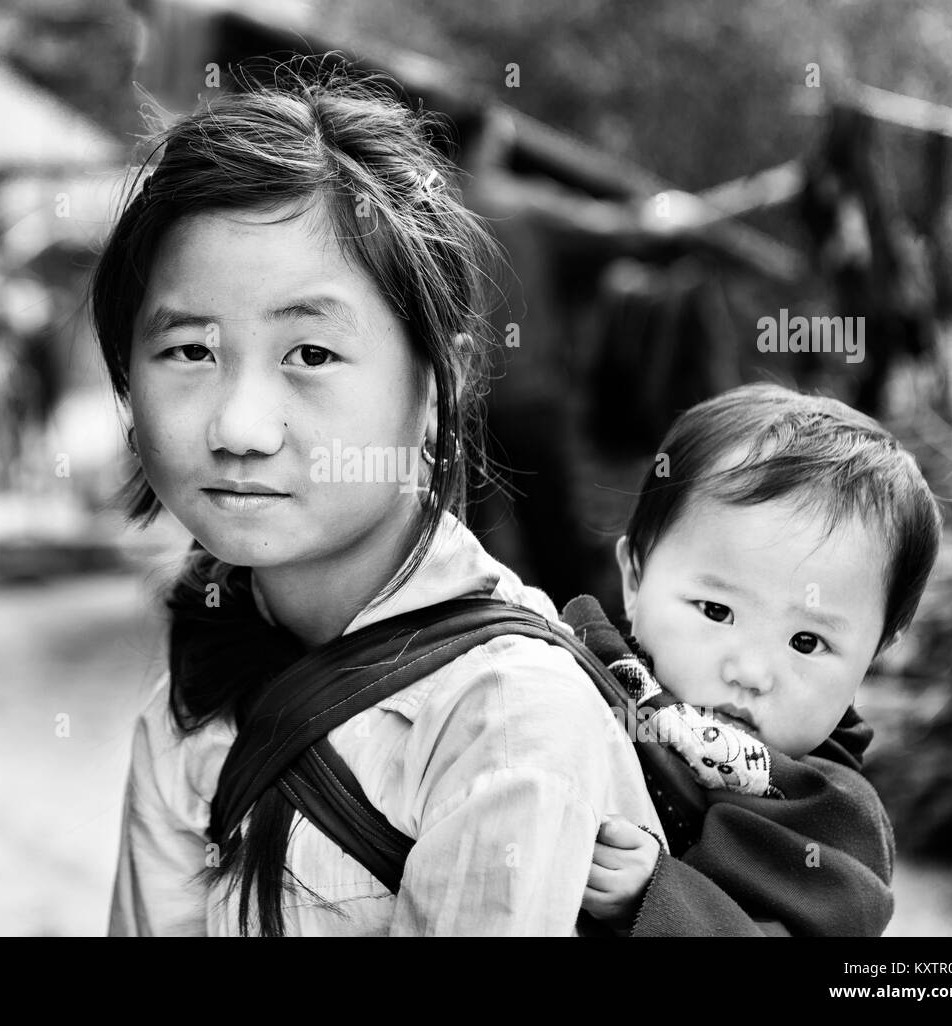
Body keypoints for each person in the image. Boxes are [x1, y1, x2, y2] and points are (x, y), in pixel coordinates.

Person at [94, 62, 666, 936]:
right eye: (190, 351)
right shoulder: (201, 681)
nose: (240, 427)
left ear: (443, 379)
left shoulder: (508, 721)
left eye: (312, 354)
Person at [575, 382, 943, 935]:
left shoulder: (830, 822)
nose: (749, 672)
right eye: (716, 611)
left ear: (872, 659)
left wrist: (656, 898)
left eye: (806, 643)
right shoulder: (572, 680)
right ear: (634, 579)